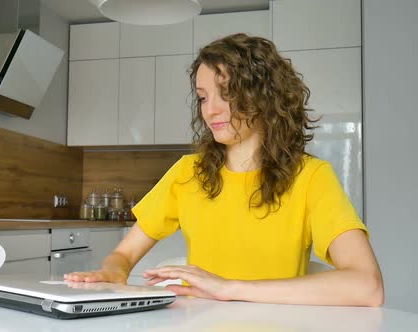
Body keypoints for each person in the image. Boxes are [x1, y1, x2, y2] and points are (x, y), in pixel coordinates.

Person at [64, 33, 384, 307]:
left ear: (264, 97)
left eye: (227, 94)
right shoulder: (187, 172)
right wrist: (113, 271)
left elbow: (367, 286)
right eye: (203, 98)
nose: (210, 110)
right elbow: (123, 255)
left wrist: (228, 289)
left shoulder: (311, 177)